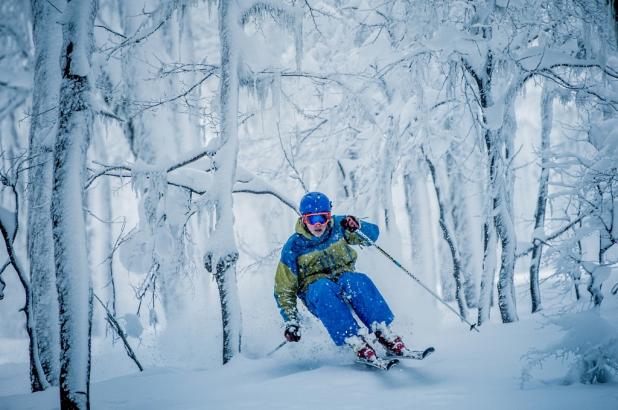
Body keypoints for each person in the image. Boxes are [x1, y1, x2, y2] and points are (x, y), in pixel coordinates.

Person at [274, 191, 412, 365]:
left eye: (322, 218)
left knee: (356, 280)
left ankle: (383, 332)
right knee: (322, 287)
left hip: (344, 282)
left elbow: (372, 237)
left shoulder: (340, 226)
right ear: (303, 219)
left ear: (329, 217)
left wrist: (358, 226)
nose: (318, 225)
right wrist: (291, 321)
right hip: (317, 292)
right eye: (312, 219)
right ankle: (355, 341)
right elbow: (284, 289)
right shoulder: (293, 247)